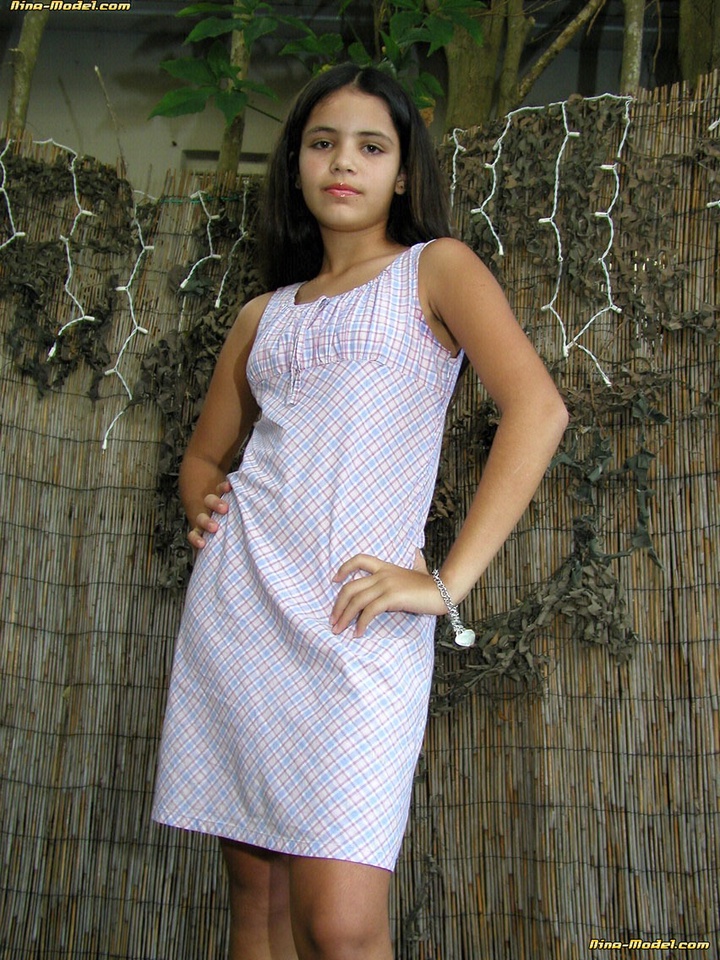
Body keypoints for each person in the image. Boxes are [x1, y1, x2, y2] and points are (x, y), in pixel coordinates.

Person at [152, 63, 568, 960]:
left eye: (371, 146)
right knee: (258, 901)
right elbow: (203, 457)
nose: (344, 161)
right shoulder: (263, 316)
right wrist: (202, 505)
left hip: (357, 625)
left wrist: (444, 583)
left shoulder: (436, 270)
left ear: (405, 172)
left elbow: (539, 410)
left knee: (339, 926)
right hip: (241, 618)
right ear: (295, 166)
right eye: (322, 142)